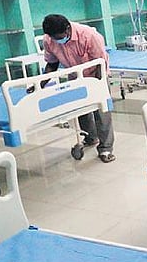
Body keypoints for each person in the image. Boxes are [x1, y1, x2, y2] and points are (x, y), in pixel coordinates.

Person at [41, 14, 116, 163]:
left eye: (59, 37)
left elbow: (100, 62)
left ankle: (105, 148)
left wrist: (98, 86)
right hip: (75, 76)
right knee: (81, 110)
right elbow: (52, 63)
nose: (57, 40)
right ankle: (90, 137)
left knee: (101, 111)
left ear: (67, 29)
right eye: (54, 38)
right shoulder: (49, 40)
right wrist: (41, 83)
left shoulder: (88, 35)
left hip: (97, 73)